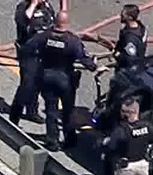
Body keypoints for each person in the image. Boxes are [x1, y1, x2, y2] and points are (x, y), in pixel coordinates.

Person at [28, 11, 101, 151]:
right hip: (65, 79)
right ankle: (69, 139)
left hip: (46, 76)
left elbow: (29, 48)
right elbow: (85, 59)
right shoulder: (72, 40)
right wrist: (95, 66)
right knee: (68, 110)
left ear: (55, 21)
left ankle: (52, 141)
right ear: (66, 23)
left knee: (51, 110)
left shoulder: (44, 36)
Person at [9, 0, 55, 126]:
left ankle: (32, 111)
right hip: (28, 54)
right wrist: (33, 5)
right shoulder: (23, 7)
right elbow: (23, 23)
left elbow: (52, 25)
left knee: (38, 83)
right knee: (26, 85)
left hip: (44, 52)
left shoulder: (47, 7)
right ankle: (14, 117)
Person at [104, 4, 147, 112]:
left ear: (130, 17)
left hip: (127, 71)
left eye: (123, 14)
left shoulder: (130, 38)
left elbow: (130, 58)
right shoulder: (141, 28)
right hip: (139, 67)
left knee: (117, 94)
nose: (120, 16)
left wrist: (118, 55)